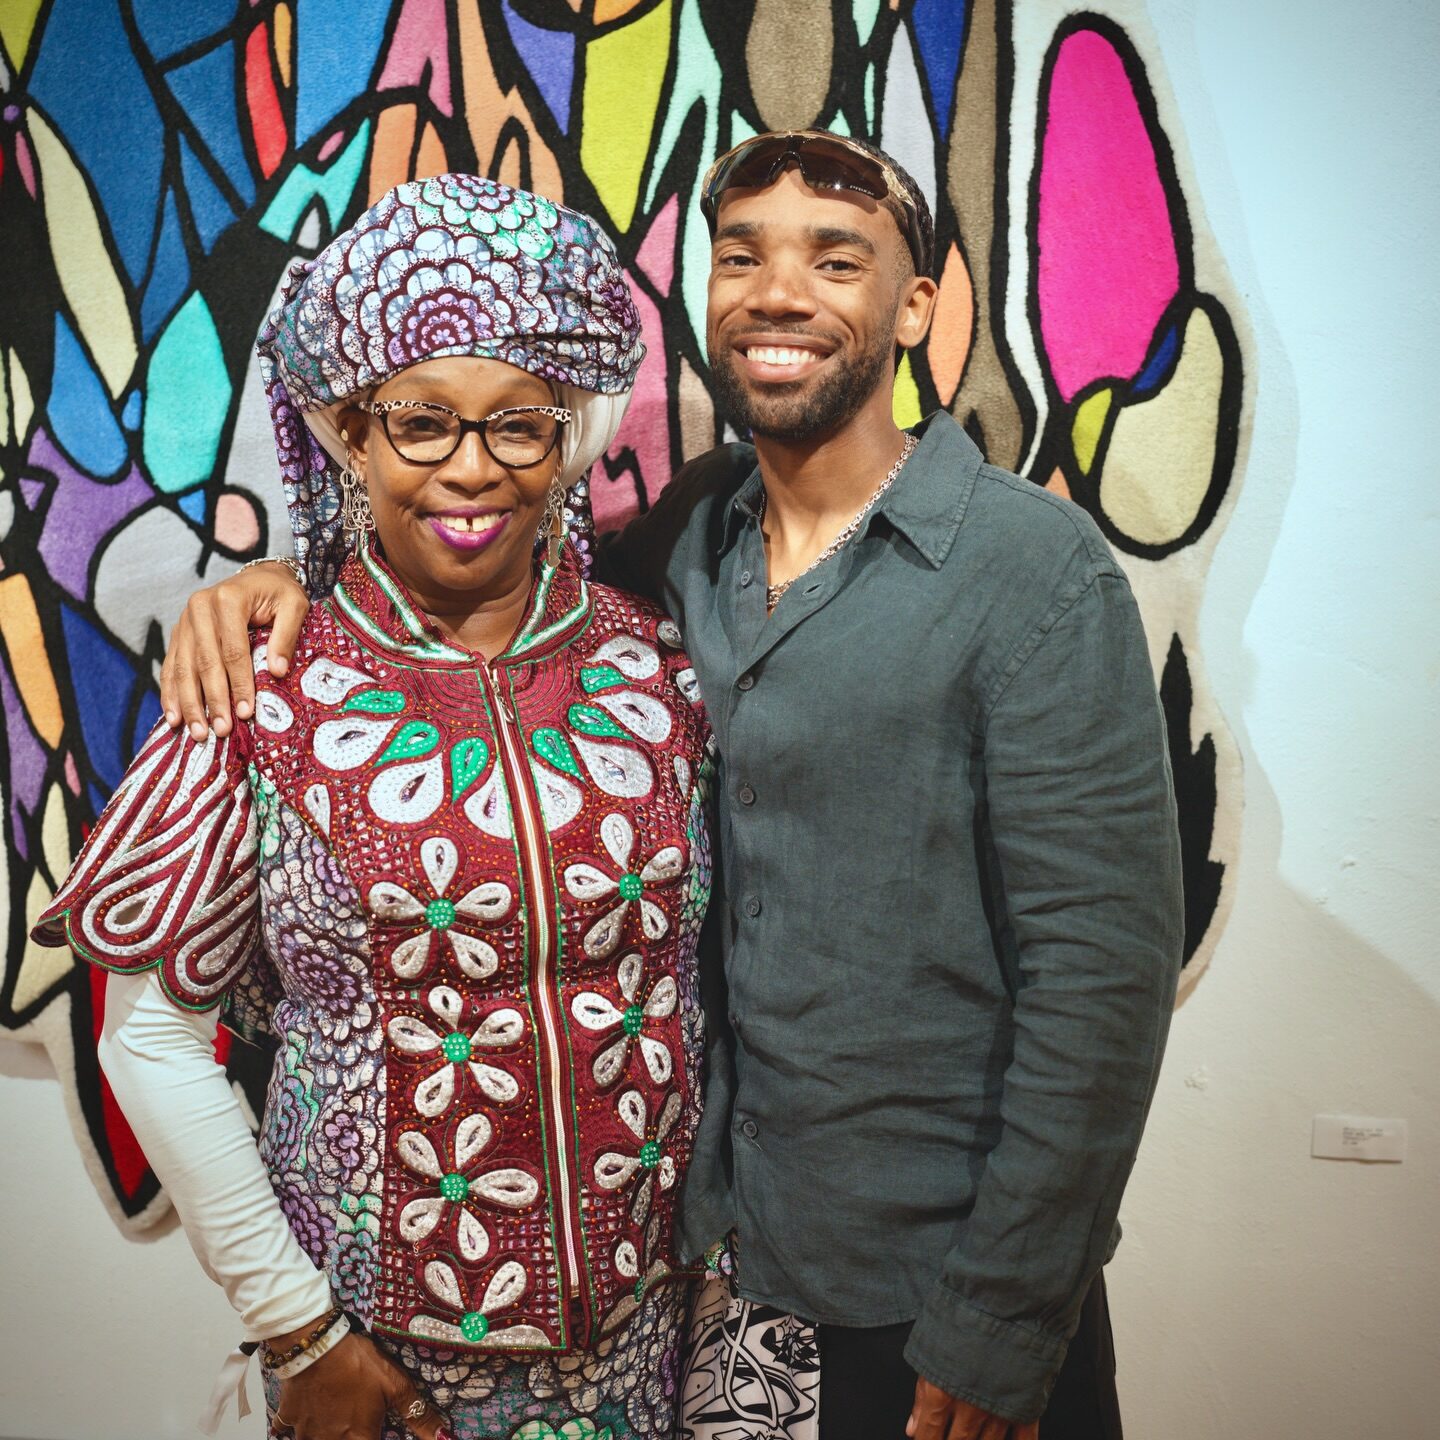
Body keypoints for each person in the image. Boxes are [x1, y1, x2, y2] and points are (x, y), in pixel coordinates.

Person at [159, 131, 1184, 1440]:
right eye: (742, 256)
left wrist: (1004, 1317)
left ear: (917, 306)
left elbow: (1101, 979)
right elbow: (478, 579)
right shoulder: (689, 539)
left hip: (932, 1290)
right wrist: (281, 587)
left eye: (836, 260)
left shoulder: (1033, 574)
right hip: (723, 1289)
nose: (777, 293)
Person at [33, 174, 720, 1440]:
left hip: (649, 1353)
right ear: (351, 434)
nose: (473, 468)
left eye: (519, 424)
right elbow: (153, 1040)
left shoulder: (657, 666)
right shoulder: (260, 691)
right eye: (422, 423)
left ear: (569, 434)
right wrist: (299, 1330)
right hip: (382, 1375)